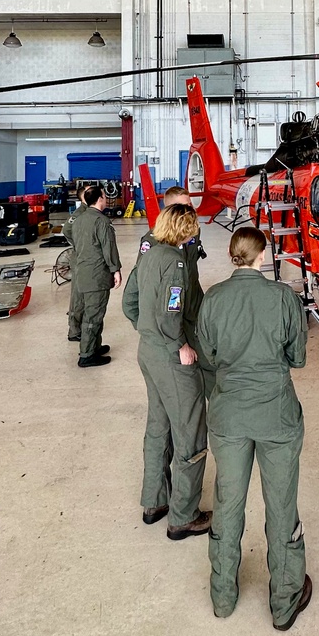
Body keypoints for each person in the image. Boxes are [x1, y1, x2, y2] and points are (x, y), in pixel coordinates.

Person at [196, 227, 311, 631]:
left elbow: (208, 356)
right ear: (261, 255)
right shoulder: (283, 298)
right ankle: (284, 600)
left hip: (228, 417)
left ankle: (223, 596)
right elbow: (297, 358)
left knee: (227, 504)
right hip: (276, 416)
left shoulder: (213, 299)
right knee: (281, 507)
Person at [122, 203, 211, 541]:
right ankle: (184, 516)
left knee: (158, 427)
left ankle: (154, 501)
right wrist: (179, 346)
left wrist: (147, 333)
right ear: (183, 229)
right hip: (171, 358)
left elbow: (130, 300)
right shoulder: (174, 262)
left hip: (148, 353)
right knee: (190, 431)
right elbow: (170, 315)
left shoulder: (148, 254)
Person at [139, 186, 212, 400]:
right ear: (168, 209)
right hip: (171, 318)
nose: (189, 209)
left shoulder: (193, 229)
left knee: (209, 362)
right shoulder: (151, 241)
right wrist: (148, 327)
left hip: (194, 309)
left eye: (189, 204)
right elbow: (139, 287)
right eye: (182, 206)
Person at [65, 184, 122, 368]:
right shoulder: (101, 221)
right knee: (94, 314)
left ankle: (94, 346)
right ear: (99, 199)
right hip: (96, 274)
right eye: (104, 196)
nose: (106, 199)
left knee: (94, 311)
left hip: (82, 271)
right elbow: (109, 249)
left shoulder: (79, 219)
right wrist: (115, 270)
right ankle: (87, 354)